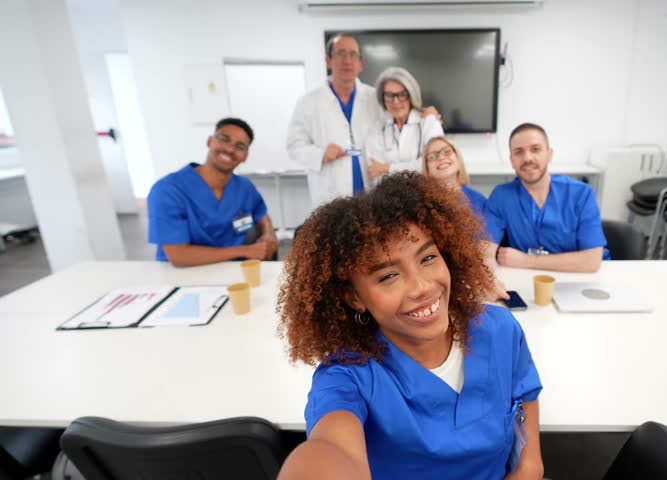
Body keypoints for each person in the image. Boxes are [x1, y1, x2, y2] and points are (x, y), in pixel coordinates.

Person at [276, 173, 543, 480]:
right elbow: (330, 449)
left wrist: (530, 466)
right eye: (388, 276)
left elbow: (525, 396)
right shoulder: (348, 377)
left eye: (428, 257)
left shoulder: (499, 330)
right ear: (354, 297)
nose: (422, 287)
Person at [287, 34, 441, 209]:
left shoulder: (374, 97)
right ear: (328, 61)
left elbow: (399, 116)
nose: (347, 60)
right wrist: (320, 153)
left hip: (372, 191)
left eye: (353, 55)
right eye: (341, 53)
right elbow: (294, 146)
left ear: (361, 64)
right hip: (331, 191)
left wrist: (425, 113)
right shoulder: (309, 102)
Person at [147, 118, 278, 266]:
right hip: (183, 274)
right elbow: (178, 256)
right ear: (210, 141)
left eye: (240, 146)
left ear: (245, 156)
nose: (230, 149)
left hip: (232, 270)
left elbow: (260, 214)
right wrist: (244, 251)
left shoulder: (244, 187)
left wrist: (269, 234)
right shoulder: (168, 190)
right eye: (224, 139)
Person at [483, 123, 609, 273]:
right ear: (511, 160)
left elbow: (591, 261)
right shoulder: (501, 196)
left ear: (549, 154)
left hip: (580, 279)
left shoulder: (581, 194)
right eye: (519, 152)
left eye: (535, 149)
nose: (527, 158)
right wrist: (488, 281)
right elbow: (485, 251)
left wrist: (528, 261)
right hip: (526, 279)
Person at [364, 67, 443, 186]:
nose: (395, 102)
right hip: (388, 198)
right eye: (389, 95)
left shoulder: (429, 123)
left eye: (401, 94)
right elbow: (375, 172)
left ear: (411, 96)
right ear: (383, 98)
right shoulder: (377, 128)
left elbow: (432, 165)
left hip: (425, 195)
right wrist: (414, 167)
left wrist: (388, 168)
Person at [422, 136, 486, 216]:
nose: (441, 158)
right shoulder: (420, 204)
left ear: (458, 158)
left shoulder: (479, 200)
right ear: (427, 168)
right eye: (433, 156)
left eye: (446, 152)